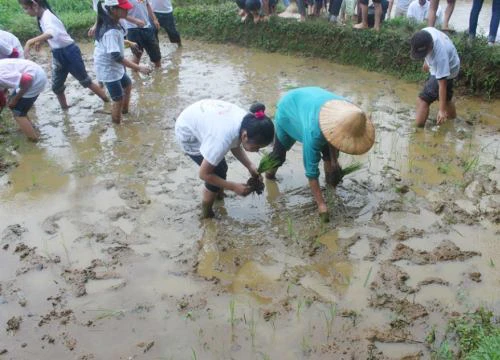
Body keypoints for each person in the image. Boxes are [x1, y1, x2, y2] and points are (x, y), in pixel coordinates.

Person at [265, 87, 375, 221]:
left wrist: (334, 162)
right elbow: (311, 171)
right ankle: (269, 176)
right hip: (290, 110)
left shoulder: (351, 113)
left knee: (329, 156)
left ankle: (330, 187)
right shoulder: (314, 133)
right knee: (279, 156)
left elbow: (335, 139)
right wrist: (321, 204)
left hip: (314, 107)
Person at [175, 100, 275, 218]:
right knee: (217, 171)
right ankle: (206, 214)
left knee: (220, 168)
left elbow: (235, 143)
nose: (257, 150)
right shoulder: (221, 139)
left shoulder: (247, 123)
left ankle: (219, 196)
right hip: (188, 134)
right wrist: (233, 187)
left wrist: (249, 165)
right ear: (244, 136)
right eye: (257, 147)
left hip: (200, 116)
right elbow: (204, 174)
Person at [19, 0, 109, 109]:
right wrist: (40, 40)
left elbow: (51, 33)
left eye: (26, 8)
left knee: (85, 81)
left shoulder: (47, 16)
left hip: (70, 53)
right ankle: (65, 108)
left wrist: (30, 42)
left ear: (35, 5)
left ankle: (107, 101)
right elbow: (50, 32)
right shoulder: (41, 17)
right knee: (56, 87)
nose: (25, 11)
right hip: (58, 54)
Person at [94, 0, 152, 124]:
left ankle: (125, 112)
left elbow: (115, 44)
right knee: (117, 98)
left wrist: (130, 43)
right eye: (124, 8)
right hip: (108, 69)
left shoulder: (113, 22)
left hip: (113, 65)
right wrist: (138, 67)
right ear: (113, 9)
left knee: (128, 85)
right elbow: (117, 57)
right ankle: (117, 125)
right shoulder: (111, 31)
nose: (127, 10)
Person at [410, 28, 460, 127]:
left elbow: (442, 84)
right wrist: (426, 61)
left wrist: (441, 110)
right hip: (452, 61)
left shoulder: (440, 56)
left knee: (423, 99)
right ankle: (453, 121)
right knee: (446, 99)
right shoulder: (424, 34)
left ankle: (417, 129)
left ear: (430, 46)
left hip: (449, 69)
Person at [0, 58, 47, 141]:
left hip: (35, 80)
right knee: (13, 106)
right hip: (31, 72)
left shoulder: (1, 76)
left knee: (17, 112)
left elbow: (27, 80)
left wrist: (16, 99)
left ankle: (34, 140)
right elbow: (2, 97)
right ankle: (30, 127)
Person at [123, 0, 162, 68]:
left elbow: (147, 5)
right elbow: (122, 14)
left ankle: (159, 74)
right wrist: (135, 21)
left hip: (147, 27)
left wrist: (154, 19)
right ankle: (135, 75)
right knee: (137, 53)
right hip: (132, 29)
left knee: (156, 54)